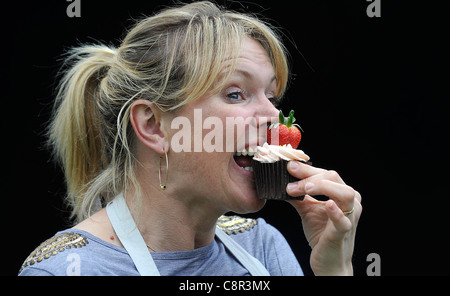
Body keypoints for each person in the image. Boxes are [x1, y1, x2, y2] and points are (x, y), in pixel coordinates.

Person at [19, 1, 361, 276]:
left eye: (271, 96)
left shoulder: (263, 246)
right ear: (153, 126)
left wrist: (336, 268)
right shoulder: (66, 270)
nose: (274, 117)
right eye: (236, 94)